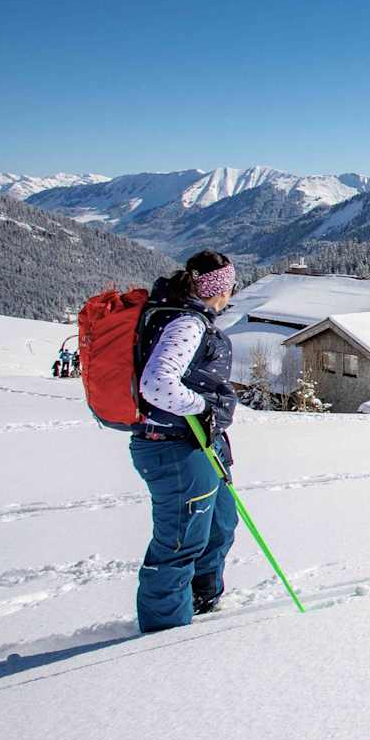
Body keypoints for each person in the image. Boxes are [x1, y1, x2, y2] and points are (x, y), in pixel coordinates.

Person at [129, 250, 240, 632]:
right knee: (179, 544)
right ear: (219, 290)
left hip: (198, 445)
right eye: (229, 287)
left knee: (222, 523)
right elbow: (156, 385)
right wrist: (203, 407)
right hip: (175, 447)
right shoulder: (187, 323)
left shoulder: (185, 315)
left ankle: (201, 600)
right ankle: (166, 635)